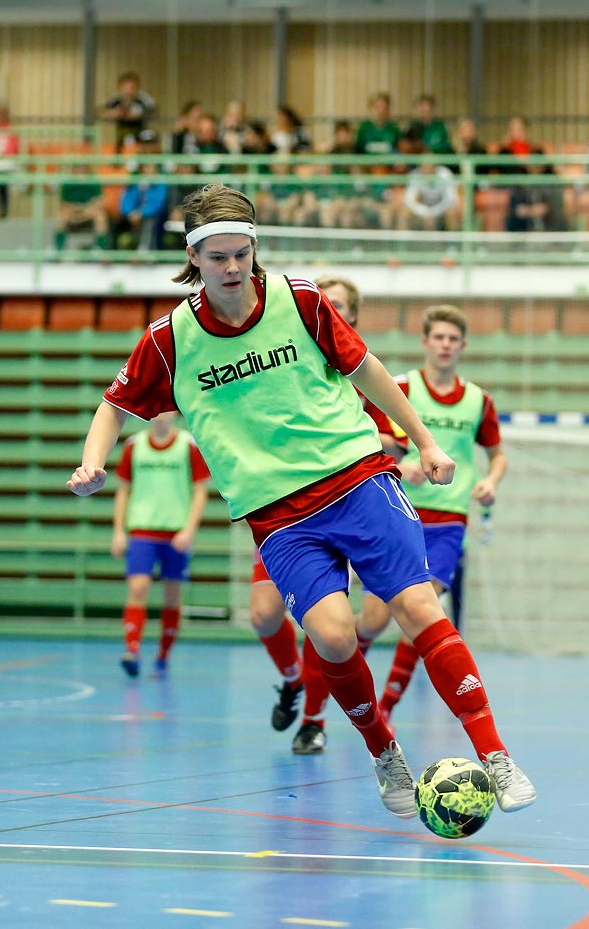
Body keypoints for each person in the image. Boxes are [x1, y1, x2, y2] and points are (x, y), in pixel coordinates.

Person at [69, 183, 536, 817]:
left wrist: (423, 441)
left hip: (356, 478)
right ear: (193, 259)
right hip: (278, 515)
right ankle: (383, 751)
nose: (232, 268)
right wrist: (94, 460)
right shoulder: (169, 340)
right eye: (218, 258)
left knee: (419, 608)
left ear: (254, 249)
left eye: (242, 254)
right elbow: (114, 406)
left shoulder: (303, 302)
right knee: (335, 637)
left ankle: (495, 753)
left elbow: (369, 371)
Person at [255, 275, 405, 755]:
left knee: (352, 624)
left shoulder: (361, 371)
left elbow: (392, 442)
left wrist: (344, 436)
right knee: (262, 614)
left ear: (351, 315)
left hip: (356, 503)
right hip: (288, 509)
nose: (326, 307)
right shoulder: (282, 366)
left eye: (337, 304)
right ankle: (293, 680)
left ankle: (315, 719)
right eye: (323, 301)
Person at [375, 305, 507, 723]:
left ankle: (385, 707)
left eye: (453, 339)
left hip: (450, 520)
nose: (446, 345)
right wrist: (399, 464)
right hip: (399, 512)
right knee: (373, 619)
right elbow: (370, 439)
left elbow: (497, 455)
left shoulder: (478, 401)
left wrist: (490, 482)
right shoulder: (401, 388)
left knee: (425, 612)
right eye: (439, 338)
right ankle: (340, 678)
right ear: (425, 342)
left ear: (462, 346)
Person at [111, 411, 212, 678]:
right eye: (154, 412)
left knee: (172, 596)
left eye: (164, 411)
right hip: (142, 530)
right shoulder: (134, 445)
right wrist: (119, 531)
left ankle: (163, 656)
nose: (159, 416)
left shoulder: (187, 445)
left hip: (175, 533)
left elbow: (201, 491)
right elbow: (123, 490)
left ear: (175, 414)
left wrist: (189, 530)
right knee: (138, 587)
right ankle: (132, 650)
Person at [102, 72, 156, 146]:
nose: (129, 90)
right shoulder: (115, 99)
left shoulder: (143, 99)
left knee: (150, 136)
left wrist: (139, 115)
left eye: (132, 87)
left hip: (140, 132)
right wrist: (115, 113)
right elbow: (103, 112)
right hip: (122, 133)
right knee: (127, 142)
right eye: (126, 86)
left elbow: (153, 111)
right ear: (121, 87)